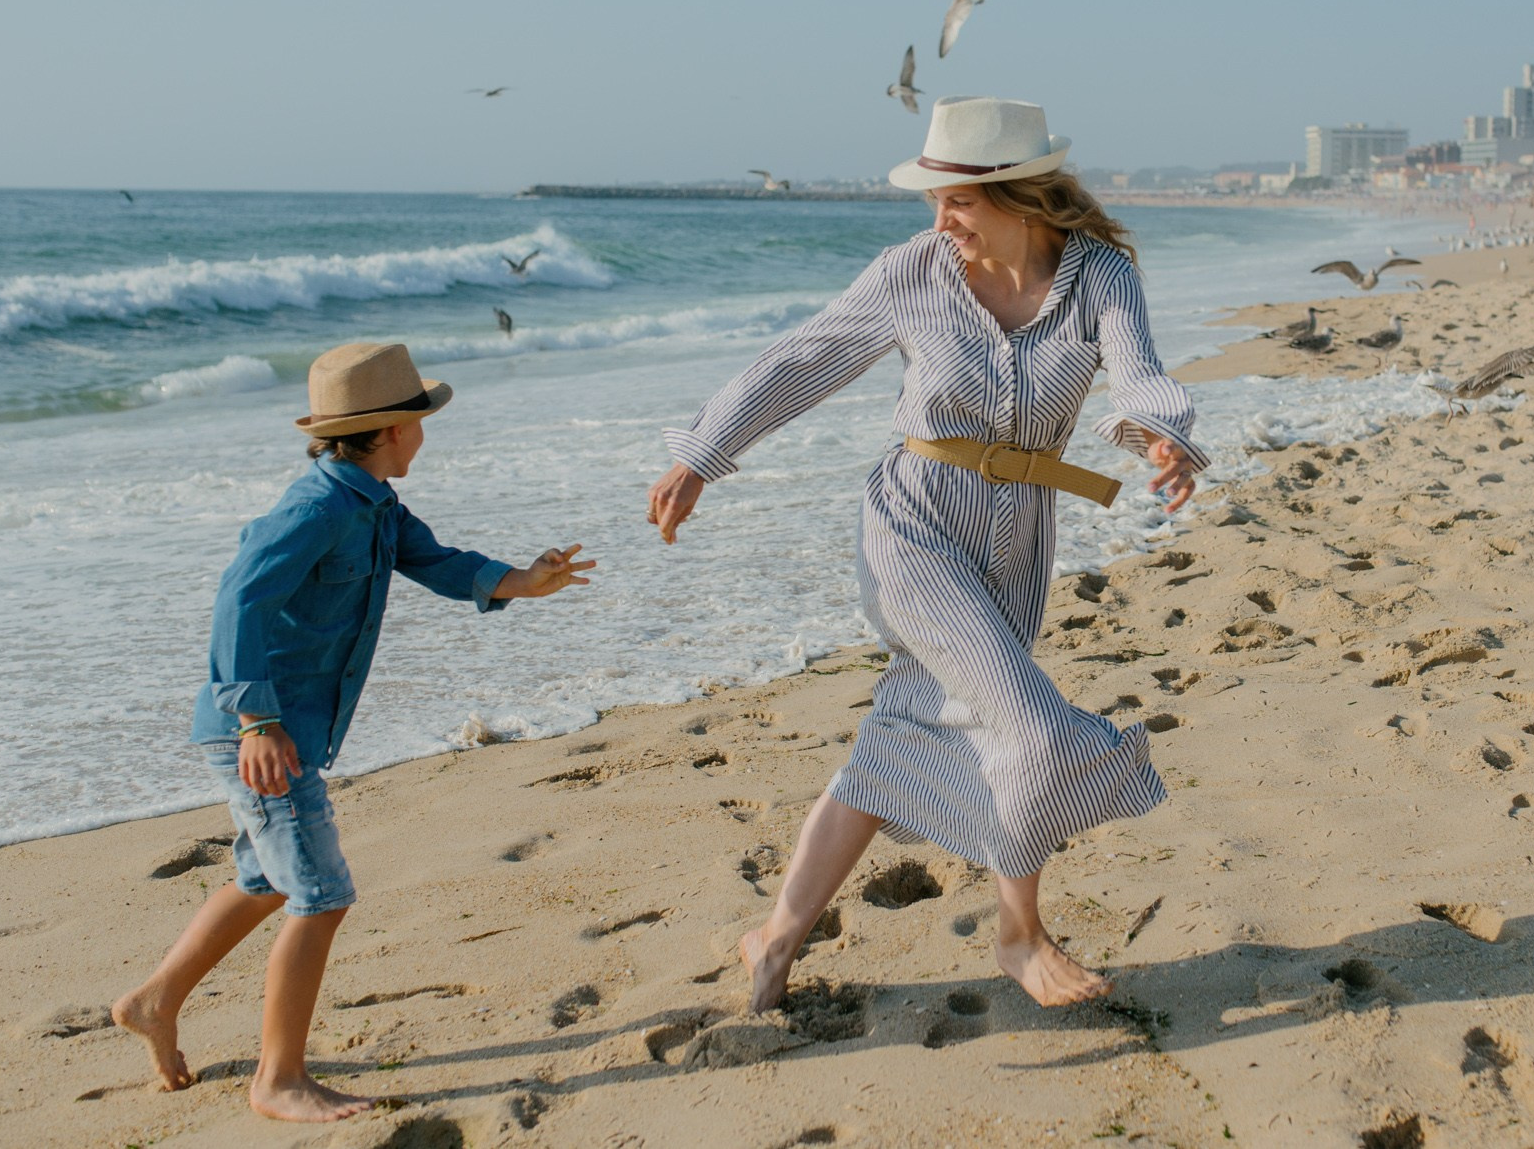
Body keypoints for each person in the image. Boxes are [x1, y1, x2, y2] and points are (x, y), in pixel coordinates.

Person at [647, 97, 1206, 1012]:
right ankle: (1020, 934)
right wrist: (701, 454)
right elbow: (801, 359)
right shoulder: (912, 272)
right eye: (936, 202)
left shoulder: (1102, 277)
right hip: (914, 528)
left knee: (901, 733)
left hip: (1018, 540)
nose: (939, 221)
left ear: (1024, 198)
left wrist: (1160, 435)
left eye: (957, 204)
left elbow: (1139, 370)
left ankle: (774, 937)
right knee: (1029, 722)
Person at [111, 342, 595, 1122]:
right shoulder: (316, 508)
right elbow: (239, 600)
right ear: (395, 430)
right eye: (420, 420)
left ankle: (155, 1000)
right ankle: (278, 1078)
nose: (426, 434)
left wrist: (521, 580)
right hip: (262, 731)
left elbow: (436, 561)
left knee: (268, 879)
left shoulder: (372, 503)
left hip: (282, 727)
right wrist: (258, 719)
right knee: (322, 891)